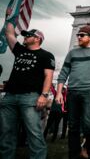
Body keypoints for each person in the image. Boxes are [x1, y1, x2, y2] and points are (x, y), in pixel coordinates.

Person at [0, 22, 55, 159]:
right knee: (6, 132)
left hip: (30, 97)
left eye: (28, 35)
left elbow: (48, 76)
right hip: (10, 96)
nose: (24, 37)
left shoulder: (46, 55)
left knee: (34, 132)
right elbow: (9, 34)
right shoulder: (20, 50)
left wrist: (44, 95)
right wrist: (10, 18)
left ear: (37, 39)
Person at [56, 24, 90, 159]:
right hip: (72, 92)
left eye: (82, 35)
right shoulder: (72, 53)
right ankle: (73, 155)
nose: (78, 37)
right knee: (72, 126)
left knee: (88, 124)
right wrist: (58, 93)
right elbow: (63, 73)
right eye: (78, 35)